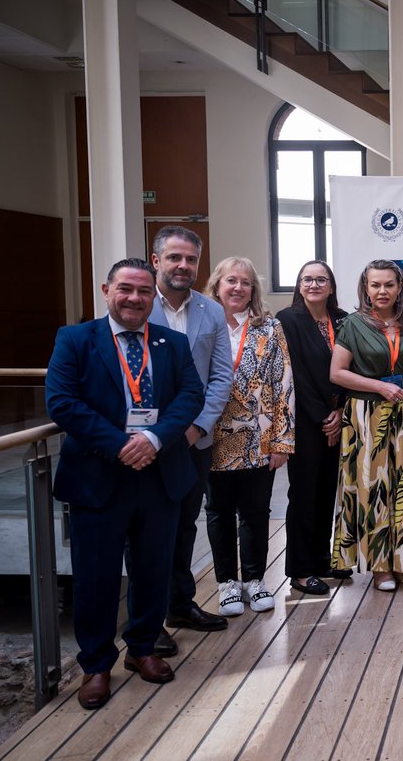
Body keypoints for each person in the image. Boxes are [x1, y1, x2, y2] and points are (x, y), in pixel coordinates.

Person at [46, 258, 204, 709]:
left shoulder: (171, 343)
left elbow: (190, 396)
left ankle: (141, 648)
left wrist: (152, 438)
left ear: (153, 296)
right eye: (125, 289)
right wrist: (122, 444)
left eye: (143, 291)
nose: (134, 298)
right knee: (95, 577)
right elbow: (62, 403)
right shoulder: (74, 339)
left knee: (154, 568)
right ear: (106, 290)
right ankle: (96, 665)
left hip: (159, 475)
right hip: (99, 478)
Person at [147, 226, 232, 655]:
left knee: (184, 525)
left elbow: (221, 376)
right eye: (175, 258)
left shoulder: (211, 311)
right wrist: (158, 433)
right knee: (145, 530)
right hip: (145, 441)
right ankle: (149, 618)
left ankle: (180, 605)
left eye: (191, 260)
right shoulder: (138, 304)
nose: (183, 266)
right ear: (156, 259)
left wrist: (197, 426)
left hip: (194, 439)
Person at [204, 258, 295, 616]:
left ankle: (255, 580)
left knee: (256, 512)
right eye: (231, 281)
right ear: (217, 285)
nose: (238, 288)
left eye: (245, 283)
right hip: (210, 437)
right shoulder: (201, 326)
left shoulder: (269, 329)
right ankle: (227, 583)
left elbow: (284, 385)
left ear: (253, 291)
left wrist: (282, 442)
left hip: (259, 438)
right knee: (218, 511)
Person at [330, 260, 403, 591]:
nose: (382, 291)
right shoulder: (352, 324)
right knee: (373, 490)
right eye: (375, 285)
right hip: (366, 415)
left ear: (400, 288)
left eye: (388, 285)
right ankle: (380, 567)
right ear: (365, 288)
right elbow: (337, 372)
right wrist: (379, 386)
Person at [277, 261, 348, 596]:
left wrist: (341, 411)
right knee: (304, 494)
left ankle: (321, 559)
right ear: (299, 284)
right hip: (306, 422)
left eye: (322, 279)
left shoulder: (344, 319)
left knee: (326, 493)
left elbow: (355, 366)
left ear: (331, 286)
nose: (315, 284)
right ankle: (301, 570)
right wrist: (324, 416)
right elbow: (295, 374)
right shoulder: (288, 319)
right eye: (308, 279)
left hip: (340, 419)